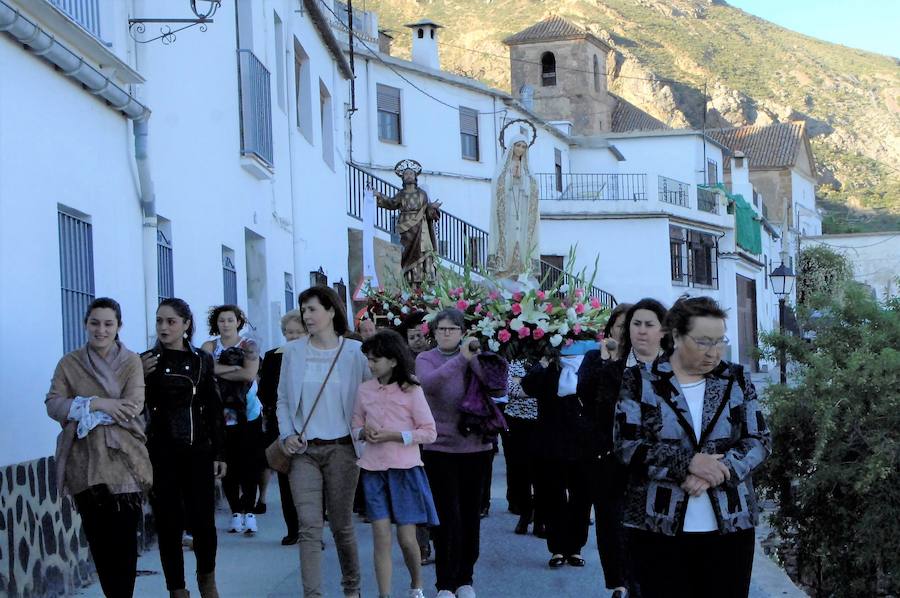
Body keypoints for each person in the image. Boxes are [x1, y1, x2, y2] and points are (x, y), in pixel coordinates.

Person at [614, 296, 771, 598]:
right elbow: (626, 444)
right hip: (655, 525)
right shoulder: (640, 381)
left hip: (731, 524)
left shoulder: (735, 378)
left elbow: (760, 439)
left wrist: (716, 470)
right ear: (676, 336)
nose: (714, 352)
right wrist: (686, 462)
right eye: (703, 342)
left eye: (720, 341)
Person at [45, 297, 153, 598]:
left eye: (108, 324)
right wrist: (97, 402)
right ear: (85, 324)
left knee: (124, 542)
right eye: (95, 323)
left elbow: (133, 406)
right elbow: (54, 404)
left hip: (124, 459)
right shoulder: (70, 363)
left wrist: (80, 409)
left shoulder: (131, 361)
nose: (101, 330)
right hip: (85, 462)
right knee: (99, 540)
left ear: (118, 326)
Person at [277, 286, 371, 598]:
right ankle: (313, 595)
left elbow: (369, 397)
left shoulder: (355, 353)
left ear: (331, 310)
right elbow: (283, 401)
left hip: (343, 449)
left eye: (312, 309)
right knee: (308, 526)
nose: (307, 316)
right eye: (303, 310)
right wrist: (287, 434)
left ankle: (351, 588)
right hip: (304, 451)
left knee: (342, 526)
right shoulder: (292, 352)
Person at [142, 298, 226, 598]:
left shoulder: (202, 359)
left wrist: (219, 452)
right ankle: (176, 589)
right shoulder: (147, 360)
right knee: (168, 524)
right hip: (161, 452)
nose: (164, 327)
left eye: (171, 321)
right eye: (159, 321)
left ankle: (207, 581)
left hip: (197, 450)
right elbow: (136, 405)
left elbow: (213, 406)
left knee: (204, 522)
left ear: (186, 324)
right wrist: (138, 375)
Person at [352, 330, 439, 598]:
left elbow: (429, 432)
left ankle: (417, 585)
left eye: (375, 359)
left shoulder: (412, 389)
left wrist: (394, 435)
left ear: (392, 361)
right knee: (381, 536)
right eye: (368, 359)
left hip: (405, 470)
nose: (370, 364)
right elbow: (354, 424)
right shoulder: (364, 390)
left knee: (406, 538)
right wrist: (363, 432)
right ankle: (384, 594)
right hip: (372, 470)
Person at [416, 308, 496, 598]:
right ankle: (445, 582)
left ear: (463, 332)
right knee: (445, 516)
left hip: (475, 447)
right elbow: (430, 384)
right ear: (434, 333)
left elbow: (495, 385)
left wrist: (476, 358)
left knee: (470, 515)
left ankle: (465, 578)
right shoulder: (426, 359)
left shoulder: (476, 356)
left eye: (452, 329)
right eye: (441, 329)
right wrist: (461, 359)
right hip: (439, 448)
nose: (446, 334)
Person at [522, 340, 599, 570]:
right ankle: (556, 547)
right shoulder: (550, 369)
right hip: (550, 441)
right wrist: (544, 362)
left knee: (581, 497)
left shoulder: (589, 368)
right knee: (551, 496)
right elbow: (528, 386)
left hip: (583, 443)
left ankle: (575, 547)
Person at [200, 305, 262, 536]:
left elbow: (248, 374)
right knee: (227, 463)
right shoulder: (209, 346)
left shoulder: (249, 345)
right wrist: (234, 367)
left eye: (229, 320)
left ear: (238, 322)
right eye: (221, 320)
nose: (225, 324)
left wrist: (220, 370)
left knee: (249, 463)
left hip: (248, 413)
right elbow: (206, 371)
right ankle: (235, 510)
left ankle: (250, 510)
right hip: (220, 414)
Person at [258, 309, 306, 545]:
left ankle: (311, 530)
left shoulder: (313, 355)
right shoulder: (273, 356)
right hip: (282, 423)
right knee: (286, 477)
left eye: (298, 332)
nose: (293, 336)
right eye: (289, 332)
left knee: (310, 482)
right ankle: (293, 529)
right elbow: (264, 391)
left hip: (309, 424)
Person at [375, 159, 442, 285]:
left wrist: (433, 208)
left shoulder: (422, 194)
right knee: (408, 256)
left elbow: (427, 210)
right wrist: (380, 196)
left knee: (424, 254)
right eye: (406, 174)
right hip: (406, 230)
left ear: (415, 176)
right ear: (403, 178)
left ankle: (426, 283)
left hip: (421, 230)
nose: (409, 176)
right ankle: (411, 283)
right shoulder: (401, 194)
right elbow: (391, 203)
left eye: (411, 173)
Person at [487, 131, 540, 279]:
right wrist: (511, 177)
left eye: (524, 147)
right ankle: (504, 268)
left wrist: (522, 178)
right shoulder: (503, 167)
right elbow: (498, 185)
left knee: (522, 238)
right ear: (512, 147)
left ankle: (521, 269)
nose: (520, 149)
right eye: (518, 146)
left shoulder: (527, 168)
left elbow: (534, 187)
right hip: (508, 208)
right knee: (507, 236)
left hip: (522, 209)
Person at [502, 359, 544, 537]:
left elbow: (547, 388)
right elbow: (509, 388)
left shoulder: (545, 361)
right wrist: (530, 387)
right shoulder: (513, 361)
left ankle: (541, 518)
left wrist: (523, 383)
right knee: (519, 469)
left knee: (541, 471)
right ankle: (525, 513)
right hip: (516, 422)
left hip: (541, 422)